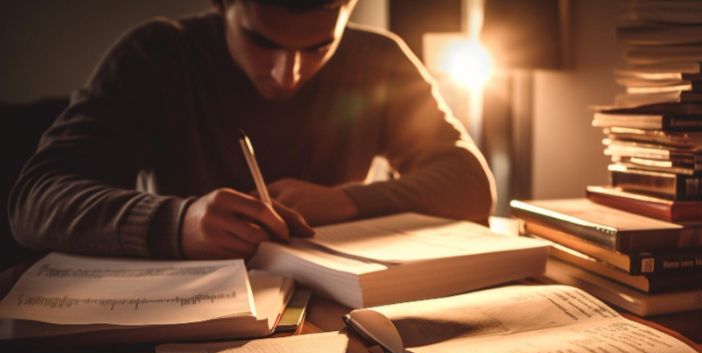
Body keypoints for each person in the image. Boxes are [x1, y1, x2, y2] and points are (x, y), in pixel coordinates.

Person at [9, 0, 495, 260]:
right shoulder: (157, 57)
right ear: (222, 5)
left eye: (319, 46)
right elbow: (34, 199)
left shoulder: (380, 60)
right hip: (179, 322)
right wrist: (177, 224)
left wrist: (346, 200)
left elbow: (470, 184)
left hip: (337, 320)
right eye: (262, 41)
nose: (289, 74)